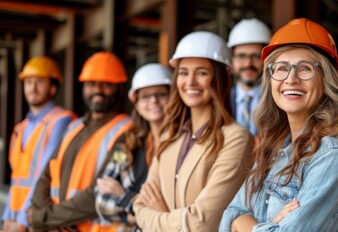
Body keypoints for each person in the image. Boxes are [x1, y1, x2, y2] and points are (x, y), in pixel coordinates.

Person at [220, 18, 338, 231]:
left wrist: (247, 225)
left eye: (305, 68)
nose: (291, 79)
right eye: (281, 68)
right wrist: (271, 225)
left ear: (325, 80)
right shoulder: (274, 146)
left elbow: (237, 221)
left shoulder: (334, 154)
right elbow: (230, 216)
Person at [132, 31, 254, 231]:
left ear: (219, 78)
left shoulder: (236, 138)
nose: (190, 82)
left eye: (201, 73)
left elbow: (203, 223)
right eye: (183, 72)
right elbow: (139, 204)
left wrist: (159, 215)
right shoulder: (169, 136)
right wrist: (177, 220)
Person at [27, 52, 133, 231]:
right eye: (91, 84)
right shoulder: (74, 127)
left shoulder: (126, 132)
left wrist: (43, 218)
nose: (97, 90)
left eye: (106, 84)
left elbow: (96, 195)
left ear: (121, 88)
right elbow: (46, 176)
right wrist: (49, 219)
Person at [94, 63, 172, 231]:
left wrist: (124, 196)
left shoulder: (184, 145)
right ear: (136, 104)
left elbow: (174, 209)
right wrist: (140, 213)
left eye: (161, 94)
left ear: (173, 98)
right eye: (145, 96)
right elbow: (101, 201)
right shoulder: (128, 146)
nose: (153, 101)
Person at [2, 56, 76, 232]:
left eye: (39, 82)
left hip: (36, 220)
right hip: (14, 219)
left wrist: (22, 222)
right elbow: (17, 179)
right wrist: (7, 217)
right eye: (28, 82)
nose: (32, 88)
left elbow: (43, 174)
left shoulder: (61, 121)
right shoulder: (21, 128)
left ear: (53, 86)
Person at [228, 18, 272, 136]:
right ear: (231, 60)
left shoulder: (279, 102)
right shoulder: (220, 101)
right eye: (241, 56)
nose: (248, 64)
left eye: (256, 56)